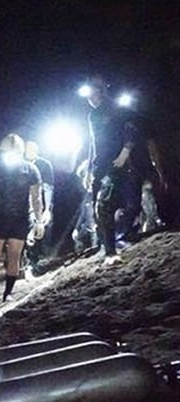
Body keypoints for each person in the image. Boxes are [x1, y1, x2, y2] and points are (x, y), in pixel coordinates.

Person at [83, 77, 166, 263]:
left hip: (117, 164)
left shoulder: (117, 109)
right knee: (100, 209)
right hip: (100, 165)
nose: (89, 97)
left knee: (122, 205)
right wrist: (89, 169)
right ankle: (110, 247)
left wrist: (125, 152)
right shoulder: (92, 115)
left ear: (100, 91)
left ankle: (115, 246)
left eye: (92, 92)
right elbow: (92, 144)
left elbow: (136, 127)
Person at [0, 134, 43, 304]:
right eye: (5, 151)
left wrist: (39, 221)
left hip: (20, 218)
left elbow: (36, 197)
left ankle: (8, 293)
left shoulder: (31, 170)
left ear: (20, 152)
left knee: (14, 255)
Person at [24, 141, 55, 273]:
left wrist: (47, 209)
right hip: (25, 203)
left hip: (41, 202)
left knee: (43, 228)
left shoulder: (44, 165)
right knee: (28, 230)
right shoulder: (21, 165)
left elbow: (48, 187)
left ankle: (44, 259)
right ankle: (30, 261)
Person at [71, 159, 99, 253]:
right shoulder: (88, 196)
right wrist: (76, 229)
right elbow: (83, 213)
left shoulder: (102, 189)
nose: (84, 180)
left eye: (85, 175)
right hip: (92, 228)